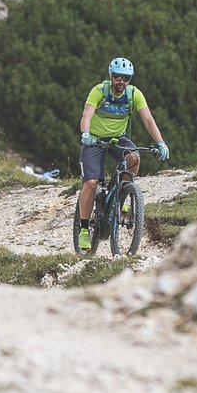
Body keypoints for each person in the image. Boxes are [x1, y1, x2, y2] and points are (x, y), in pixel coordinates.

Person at [76, 56, 168, 252]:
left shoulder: (134, 94)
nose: (121, 82)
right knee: (91, 183)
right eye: (118, 77)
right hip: (94, 139)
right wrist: (85, 133)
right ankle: (84, 230)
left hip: (118, 138)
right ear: (111, 76)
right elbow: (87, 114)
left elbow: (148, 120)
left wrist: (160, 142)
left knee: (134, 157)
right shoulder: (99, 91)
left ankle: (122, 194)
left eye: (126, 78)